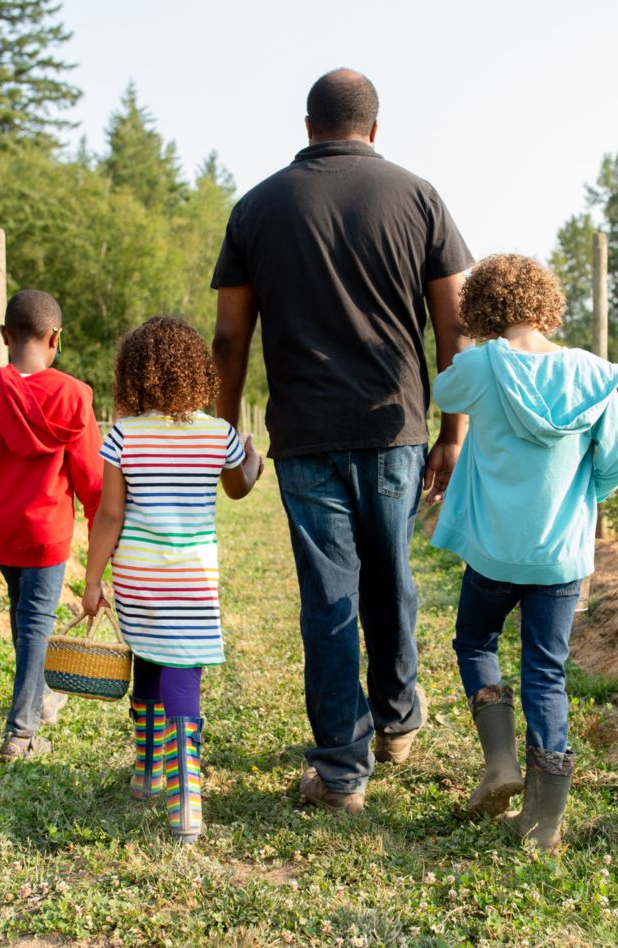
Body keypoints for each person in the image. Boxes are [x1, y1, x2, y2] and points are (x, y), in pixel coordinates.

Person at [211, 68, 474, 813]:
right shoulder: (419, 196)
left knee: (329, 596)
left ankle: (339, 771)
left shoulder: (258, 206)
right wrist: (452, 432)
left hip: (303, 435)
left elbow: (230, 339)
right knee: (390, 574)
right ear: (375, 129)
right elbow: (455, 328)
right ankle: (396, 720)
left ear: (306, 127)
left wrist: (230, 440)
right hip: (395, 427)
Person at [431, 254, 618, 848]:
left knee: (474, 642)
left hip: (492, 551)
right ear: (547, 305)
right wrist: (581, 499)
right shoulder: (596, 374)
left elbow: (442, 389)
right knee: (546, 671)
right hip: (561, 555)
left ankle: (500, 763)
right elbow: (611, 463)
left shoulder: (481, 367)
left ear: (482, 308)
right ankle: (542, 822)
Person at [82, 316, 262, 844]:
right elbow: (239, 486)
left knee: (148, 659)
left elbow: (109, 516)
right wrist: (250, 459)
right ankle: (187, 801)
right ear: (197, 372)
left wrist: (93, 580)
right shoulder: (218, 433)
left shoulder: (123, 435)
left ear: (133, 375)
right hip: (192, 580)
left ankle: (147, 772)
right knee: (184, 674)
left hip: (138, 577)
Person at [0, 289, 103, 761]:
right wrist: (101, 546)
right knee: (34, 623)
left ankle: (39, 700)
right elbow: (92, 480)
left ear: (6, 336)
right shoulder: (73, 395)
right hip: (47, 534)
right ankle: (22, 732)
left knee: (22, 617)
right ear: (56, 339)